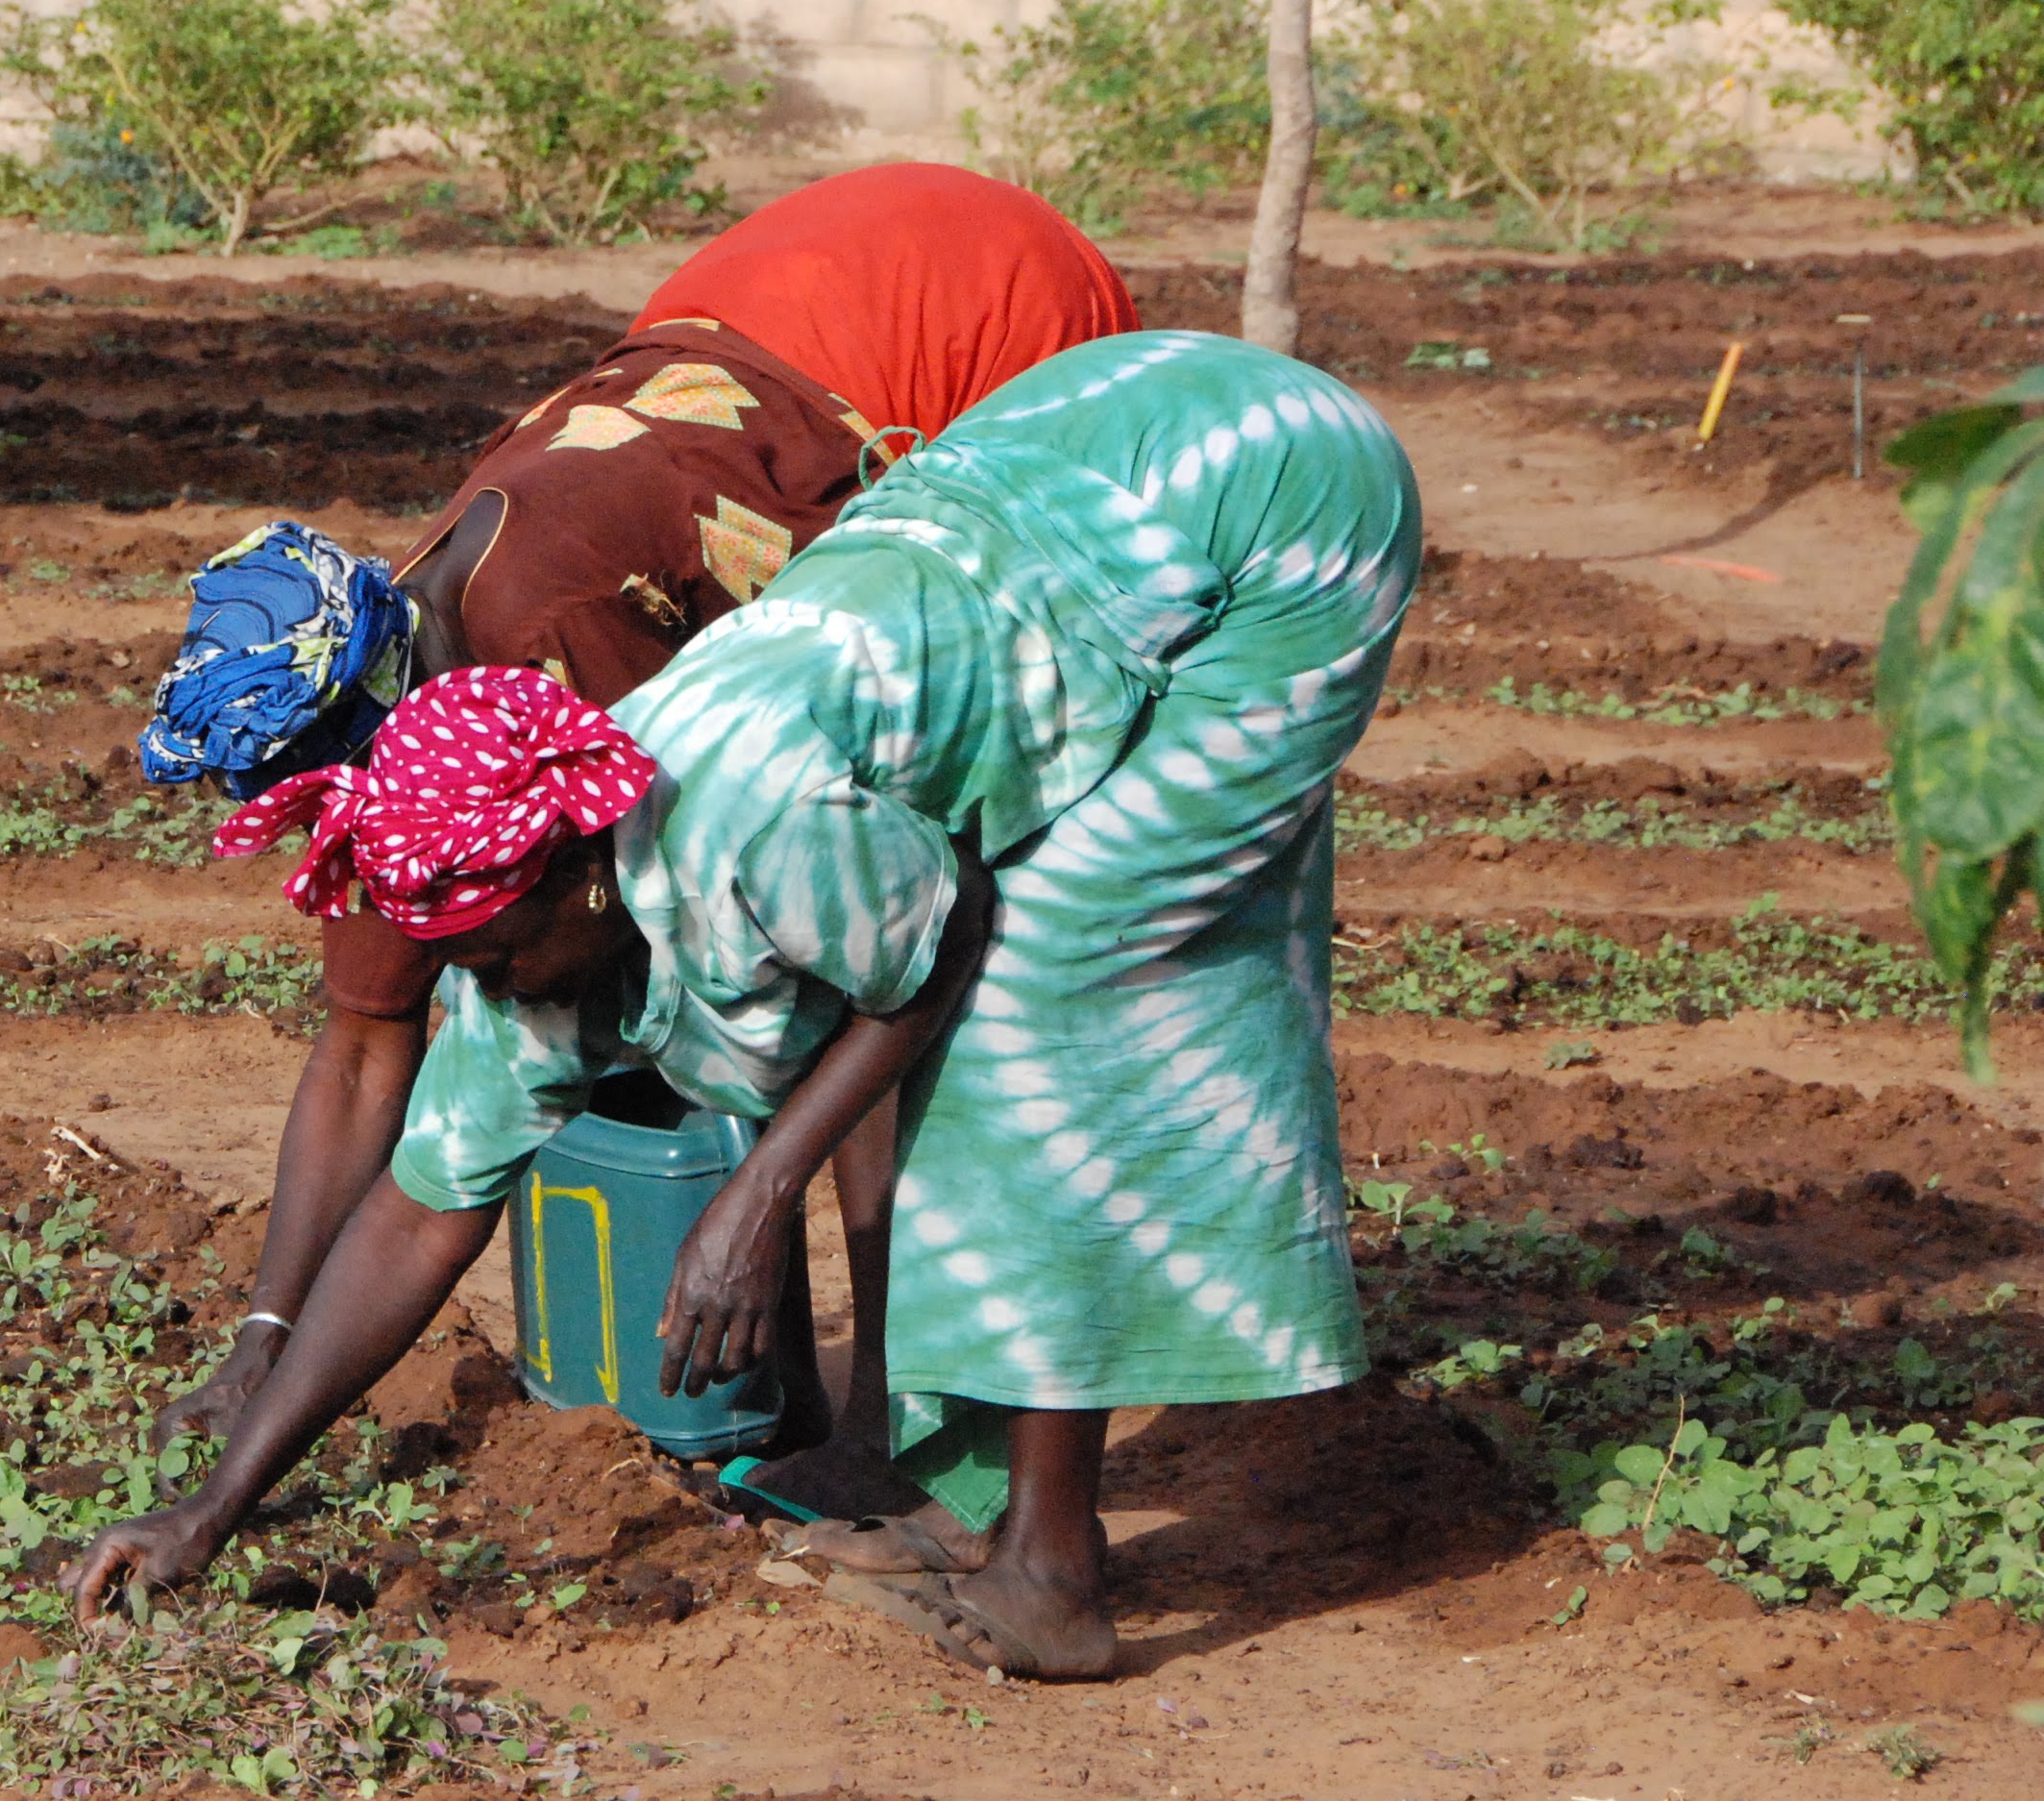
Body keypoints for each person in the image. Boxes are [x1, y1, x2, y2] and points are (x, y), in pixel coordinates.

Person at [69, 329, 1422, 1682]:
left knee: (1042, 992)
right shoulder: (525, 926)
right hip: (1059, 480)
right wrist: (210, 1513)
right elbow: (419, 1217)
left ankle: (1051, 1572)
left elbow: (949, 935)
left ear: (582, 870)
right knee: (965, 993)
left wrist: (759, 1193)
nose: (480, 991)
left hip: (1264, 493)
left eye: (490, 955)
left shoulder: (746, 809)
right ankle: (970, 1497)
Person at [139, 165, 1139, 1466]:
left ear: (396, 706)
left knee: (875, 936)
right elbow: (366, 1043)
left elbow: (844, 943)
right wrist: (264, 1338)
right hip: (759, 302)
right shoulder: (404, 756)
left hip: (945, 315)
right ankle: (809, 1409)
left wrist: (754, 1200)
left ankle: (898, 1426)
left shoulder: (562, 637)